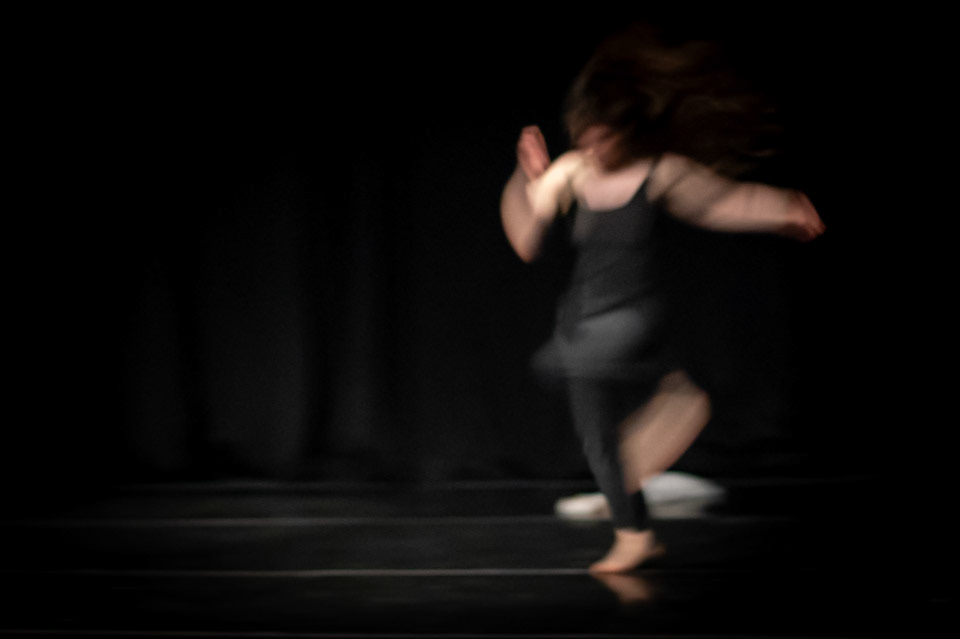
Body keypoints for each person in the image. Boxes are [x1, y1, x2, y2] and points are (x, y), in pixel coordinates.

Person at [500, 25, 824, 573]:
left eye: (604, 138)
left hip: (632, 316)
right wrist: (525, 177)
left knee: (590, 356)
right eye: (585, 137)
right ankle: (635, 536)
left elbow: (721, 202)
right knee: (600, 441)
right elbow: (525, 238)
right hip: (584, 320)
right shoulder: (574, 172)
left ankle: (678, 393)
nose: (593, 148)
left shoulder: (659, 172)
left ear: (628, 133)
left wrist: (783, 208)